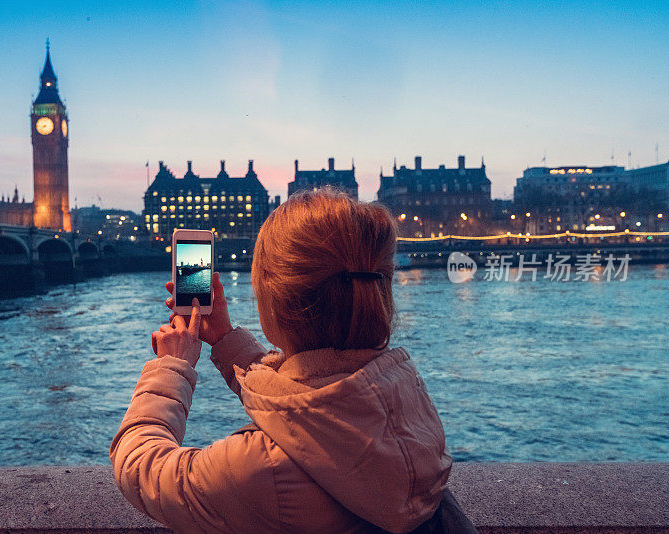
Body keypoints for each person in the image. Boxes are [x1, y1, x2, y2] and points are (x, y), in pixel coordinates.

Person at [110, 189, 460, 533]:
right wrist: (225, 339)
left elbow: (141, 466)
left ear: (273, 302)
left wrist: (172, 367)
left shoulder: (263, 470)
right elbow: (314, 405)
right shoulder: (410, 400)